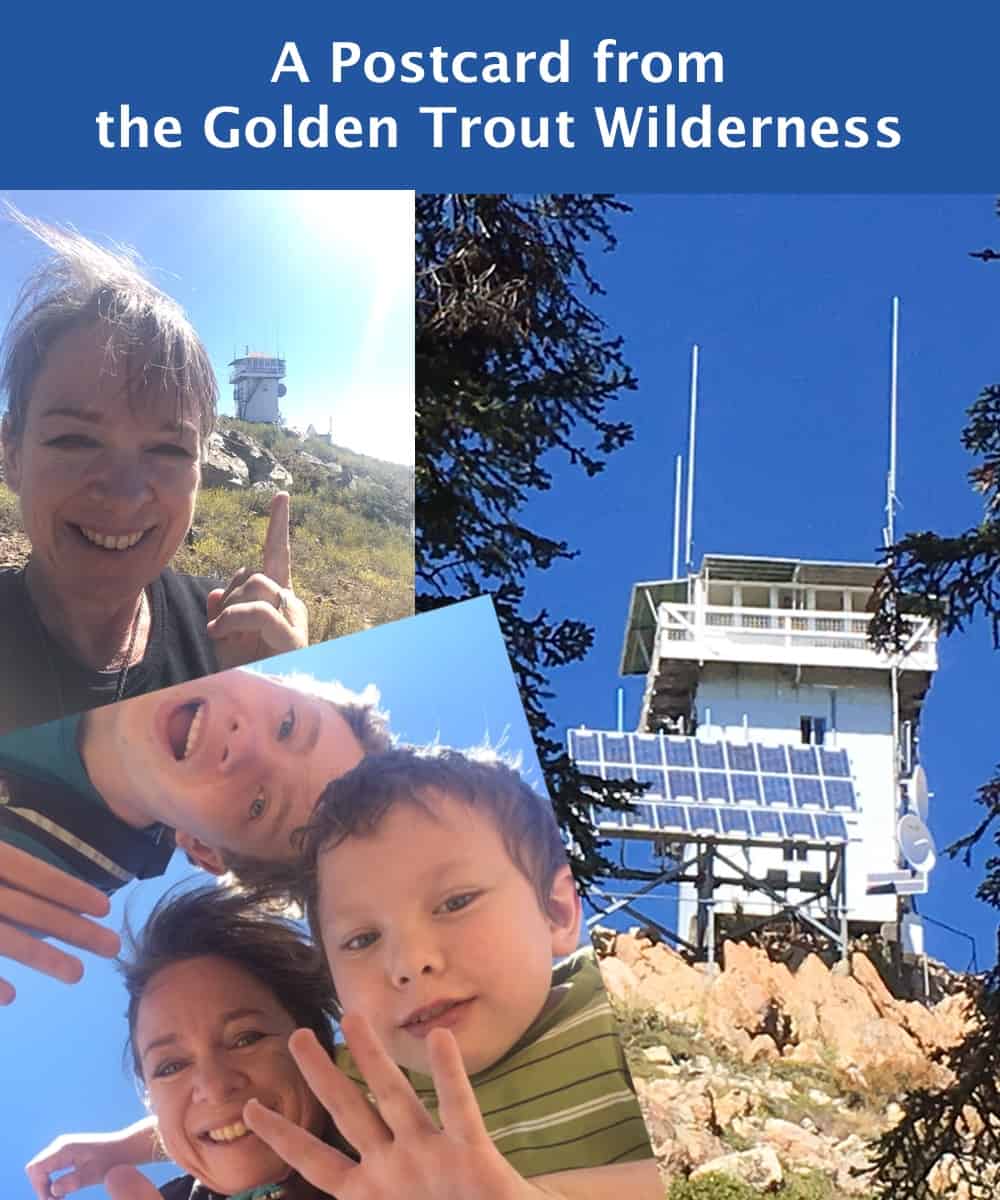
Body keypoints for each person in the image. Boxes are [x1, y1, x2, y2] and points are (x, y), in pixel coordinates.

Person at [28, 889, 659, 1200]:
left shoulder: (421, 1148)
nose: (214, 1085)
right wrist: (122, 1144)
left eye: (247, 1037)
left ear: (318, 1050)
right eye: (168, 1065)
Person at [0, 207, 309, 736]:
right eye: (75, 439)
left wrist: (280, 701)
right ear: (12, 455)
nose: (123, 496)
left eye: (167, 450)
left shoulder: (230, 637)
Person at [287, 747, 658, 1180]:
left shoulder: (617, 1011)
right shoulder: (350, 1095)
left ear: (556, 911)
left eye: (455, 902)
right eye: (361, 939)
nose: (409, 962)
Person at [0, 666, 389, 1005]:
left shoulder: (32, 875)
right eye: (288, 725)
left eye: (260, 806)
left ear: (204, 850)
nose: (246, 746)